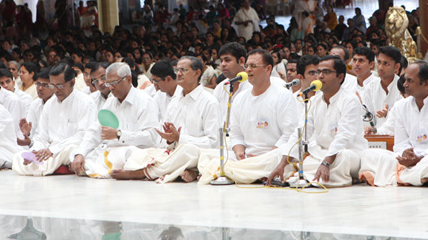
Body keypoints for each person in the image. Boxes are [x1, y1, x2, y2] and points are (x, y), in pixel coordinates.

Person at [110, 56, 219, 183]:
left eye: (183, 70)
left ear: (197, 73)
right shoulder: (175, 102)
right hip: (174, 154)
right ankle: (186, 171)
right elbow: (165, 139)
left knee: (188, 150)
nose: (178, 73)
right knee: (138, 152)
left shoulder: (209, 102)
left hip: (198, 154)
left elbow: (213, 142)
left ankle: (141, 173)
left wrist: (180, 138)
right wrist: (169, 140)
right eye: (177, 70)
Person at [358, 62, 428, 187]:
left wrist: (419, 158)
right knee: (368, 154)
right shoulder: (401, 106)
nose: (404, 84)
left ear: (426, 83)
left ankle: (403, 177)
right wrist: (405, 155)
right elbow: (400, 144)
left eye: (410, 81)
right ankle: (420, 177)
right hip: (410, 162)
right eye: (404, 80)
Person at [198, 50, 298, 184]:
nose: (248, 70)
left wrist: (267, 154)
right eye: (247, 66)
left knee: (279, 158)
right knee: (207, 155)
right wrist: (240, 152)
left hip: (272, 154)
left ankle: (233, 172)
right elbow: (236, 134)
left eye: (253, 66)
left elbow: (288, 135)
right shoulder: (240, 99)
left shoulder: (283, 95)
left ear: (268, 69)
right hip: (246, 156)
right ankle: (247, 171)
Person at [267, 56, 369, 187]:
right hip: (321, 153)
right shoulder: (314, 101)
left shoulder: (350, 100)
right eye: (318, 72)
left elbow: (344, 137)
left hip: (349, 153)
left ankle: (308, 176)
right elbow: (301, 133)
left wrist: (326, 163)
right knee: (285, 154)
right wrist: (283, 164)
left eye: (326, 72)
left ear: (340, 77)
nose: (320, 76)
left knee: (343, 157)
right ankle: (306, 175)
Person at [71, 63, 161, 179]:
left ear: (128, 79)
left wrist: (119, 135)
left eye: (114, 83)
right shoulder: (110, 102)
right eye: (109, 83)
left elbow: (152, 138)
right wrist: (80, 153)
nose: (111, 87)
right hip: (112, 152)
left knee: (134, 154)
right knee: (78, 154)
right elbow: (96, 130)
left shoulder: (145, 101)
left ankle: (132, 173)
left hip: (135, 153)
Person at [12, 63, 96, 176]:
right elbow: (42, 137)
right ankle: (51, 166)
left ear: (72, 82)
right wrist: (34, 152)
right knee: (18, 157)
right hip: (49, 151)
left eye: (59, 86)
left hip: (68, 150)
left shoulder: (86, 102)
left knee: (72, 150)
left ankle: (48, 166)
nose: (56, 90)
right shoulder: (50, 104)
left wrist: (53, 150)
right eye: (52, 86)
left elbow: (83, 136)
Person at [361, 47, 403, 134]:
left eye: (386, 64)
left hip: (396, 137)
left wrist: (387, 114)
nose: (380, 67)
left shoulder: (403, 88)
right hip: (373, 138)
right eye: (379, 62)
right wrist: (370, 128)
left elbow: (401, 120)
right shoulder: (369, 88)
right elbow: (365, 116)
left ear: (396, 67)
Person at [18, 67, 53, 152]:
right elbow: (32, 135)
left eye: (45, 85)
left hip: (51, 148)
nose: (40, 88)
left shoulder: (57, 104)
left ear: (54, 86)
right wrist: (27, 134)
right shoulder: (35, 104)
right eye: (38, 84)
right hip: (36, 146)